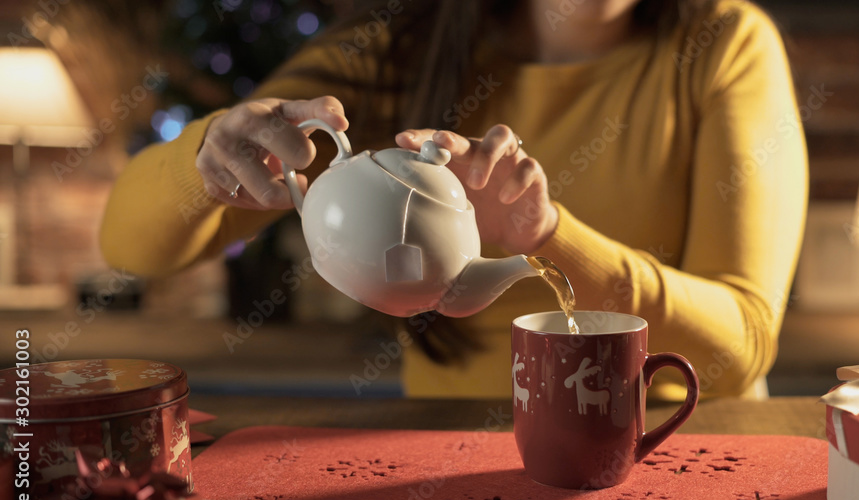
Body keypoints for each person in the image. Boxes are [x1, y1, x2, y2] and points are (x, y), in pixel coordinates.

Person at [100, 0, 807, 400]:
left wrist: (548, 232)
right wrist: (208, 161)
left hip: (670, 446)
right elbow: (127, 245)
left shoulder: (723, 44)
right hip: (442, 449)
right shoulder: (397, 45)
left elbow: (739, 346)